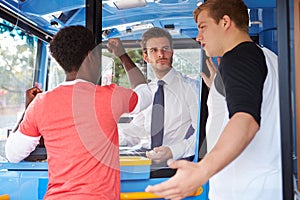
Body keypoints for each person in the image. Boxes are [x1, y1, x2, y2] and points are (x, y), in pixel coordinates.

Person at [145, 0, 282, 199]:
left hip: (244, 190)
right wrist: (220, 89)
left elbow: (246, 119)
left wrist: (201, 170)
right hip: (267, 185)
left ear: (225, 22)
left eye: (203, 27)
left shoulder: (237, 58)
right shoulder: (268, 57)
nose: (199, 37)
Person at [5, 25, 152, 200]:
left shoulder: (41, 103)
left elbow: (13, 154)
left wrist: (28, 109)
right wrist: (122, 54)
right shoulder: (111, 97)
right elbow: (146, 95)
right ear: (90, 56)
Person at [107, 27, 199, 165]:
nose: (161, 54)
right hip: (147, 161)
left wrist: (172, 151)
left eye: (165, 49)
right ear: (146, 57)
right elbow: (137, 131)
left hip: (178, 164)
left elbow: (201, 134)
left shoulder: (191, 87)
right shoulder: (148, 92)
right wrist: (109, 138)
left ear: (172, 52)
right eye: (153, 50)